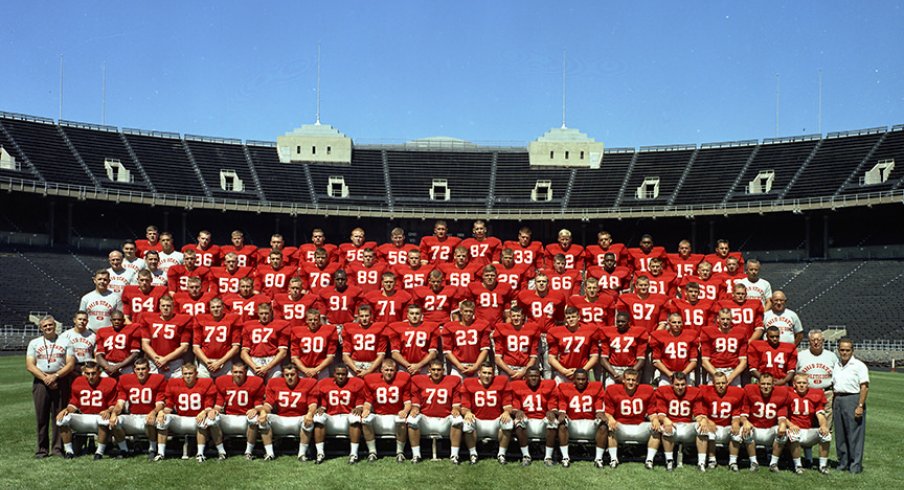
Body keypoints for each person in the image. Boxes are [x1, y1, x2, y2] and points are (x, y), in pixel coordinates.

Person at [56, 361, 128, 459]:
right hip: (83, 416)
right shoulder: (78, 381)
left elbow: (113, 404)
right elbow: (74, 403)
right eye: (87, 373)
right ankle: (69, 452)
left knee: (103, 419)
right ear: (83, 373)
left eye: (93, 373)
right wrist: (66, 410)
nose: (90, 376)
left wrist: (108, 411)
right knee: (62, 419)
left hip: (99, 417)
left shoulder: (109, 382)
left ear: (99, 372)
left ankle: (99, 452)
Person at [27, 316, 76, 458]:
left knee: (59, 416)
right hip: (41, 381)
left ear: (55, 326)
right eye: (45, 326)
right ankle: (42, 450)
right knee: (41, 417)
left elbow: (70, 363)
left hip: (60, 380)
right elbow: (30, 365)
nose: (48, 328)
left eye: (50, 325)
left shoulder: (66, 341)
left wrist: (55, 376)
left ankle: (57, 449)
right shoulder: (34, 343)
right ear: (41, 328)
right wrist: (46, 378)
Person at [156, 362, 225, 462]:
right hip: (180, 418)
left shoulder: (206, 383)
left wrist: (204, 412)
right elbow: (169, 405)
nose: (188, 376)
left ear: (196, 374)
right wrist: (163, 412)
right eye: (185, 374)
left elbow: (208, 404)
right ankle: (160, 453)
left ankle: (200, 453)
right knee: (162, 419)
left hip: (197, 417)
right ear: (182, 374)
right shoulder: (173, 383)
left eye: (190, 373)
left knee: (203, 420)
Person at [407, 359, 464, 464]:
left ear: (444, 370)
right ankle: (416, 455)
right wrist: (415, 408)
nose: (436, 372)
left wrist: (456, 409)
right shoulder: (418, 380)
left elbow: (456, 401)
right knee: (411, 419)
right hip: (426, 419)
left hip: (445, 419)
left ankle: (454, 455)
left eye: (439, 370)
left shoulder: (454, 380)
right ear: (429, 370)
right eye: (433, 369)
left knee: (458, 420)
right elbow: (415, 400)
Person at [213, 360, 271, 460]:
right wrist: (213, 411)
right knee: (211, 419)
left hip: (245, 417)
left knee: (254, 419)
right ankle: (221, 452)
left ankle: (248, 452)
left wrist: (255, 410)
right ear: (231, 372)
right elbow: (219, 404)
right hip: (229, 417)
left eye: (241, 372)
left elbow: (258, 404)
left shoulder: (256, 382)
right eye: (235, 372)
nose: (238, 374)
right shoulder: (221, 381)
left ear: (246, 372)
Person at [112, 357, 166, 460]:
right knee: (115, 422)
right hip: (133, 416)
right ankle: (124, 450)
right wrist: (114, 413)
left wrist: (153, 412)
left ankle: (152, 449)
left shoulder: (158, 379)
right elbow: (120, 403)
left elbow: (160, 403)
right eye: (138, 369)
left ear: (149, 369)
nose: (141, 372)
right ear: (134, 370)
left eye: (143, 369)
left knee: (150, 421)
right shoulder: (125, 380)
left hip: (148, 416)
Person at [261, 363, 318, 461]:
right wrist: (263, 412)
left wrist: (309, 414)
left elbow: (312, 404)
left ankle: (302, 454)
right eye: (287, 375)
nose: (290, 377)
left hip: (299, 418)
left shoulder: (309, 383)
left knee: (309, 420)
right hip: (281, 419)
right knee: (264, 420)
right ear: (283, 375)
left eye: (292, 374)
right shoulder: (274, 383)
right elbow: (268, 404)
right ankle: (269, 453)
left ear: (298, 374)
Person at [459, 362, 515, 465]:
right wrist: (467, 413)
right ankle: (473, 454)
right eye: (484, 372)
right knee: (467, 423)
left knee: (508, 422)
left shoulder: (501, 381)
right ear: (479, 373)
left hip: (495, 420)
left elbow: (508, 404)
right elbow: (464, 406)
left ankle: (501, 454)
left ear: (493, 374)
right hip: (478, 421)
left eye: (489, 373)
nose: (487, 376)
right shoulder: (468, 383)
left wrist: (507, 412)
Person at [693, 371, 747, 472]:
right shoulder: (706, 391)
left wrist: (735, 422)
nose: (721, 386)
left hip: (727, 426)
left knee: (738, 431)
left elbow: (736, 414)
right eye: (718, 383)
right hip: (713, 426)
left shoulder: (736, 393)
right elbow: (701, 412)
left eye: (723, 383)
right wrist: (706, 420)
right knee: (702, 428)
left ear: (727, 383)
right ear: (713, 384)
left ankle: (733, 462)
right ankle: (706, 461)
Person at [553, 368, 607, 468]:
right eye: (578, 379)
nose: (581, 382)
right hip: (573, 422)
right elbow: (562, 402)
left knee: (603, 426)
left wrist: (599, 412)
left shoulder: (596, 387)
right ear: (573, 379)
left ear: (587, 379)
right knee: (562, 424)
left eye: (583, 379)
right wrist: (562, 412)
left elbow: (599, 402)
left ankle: (598, 458)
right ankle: (565, 457)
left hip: (590, 422)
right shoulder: (564, 387)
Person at [361, 360, 413, 463]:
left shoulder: (404, 379)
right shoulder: (370, 380)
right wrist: (366, 409)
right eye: (386, 370)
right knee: (365, 419)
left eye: (391, 370)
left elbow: (407, 402)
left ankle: (400, 452)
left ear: (396, 371)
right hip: (379, 415)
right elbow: (368, 401)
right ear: (381, 370)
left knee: (402, 420)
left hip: (395, 415)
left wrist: (405, 411)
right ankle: (372, 452)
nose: (389, 373)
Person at [603, 368, 657, 469]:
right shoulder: (612, 390)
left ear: (637, 381)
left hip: (640, 426)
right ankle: (613, 459)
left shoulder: (647, 390)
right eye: (628, 379)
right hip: (621, 426)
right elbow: (607, 412)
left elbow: (652, 412)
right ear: (623, 380)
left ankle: (649, 460)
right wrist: (611, 418)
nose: (631, 382)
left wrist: (655, 419)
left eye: (633, 380)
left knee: (657, 429)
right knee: (610, 427)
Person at [313, 366, 367, 464]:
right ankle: (320, 453)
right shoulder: (324, 384)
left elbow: (360, 403)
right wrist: (321, 408)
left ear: (347, 375)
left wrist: (359, 408)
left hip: (348, 416)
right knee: (318, 417)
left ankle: (353, 454)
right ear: (334, 374)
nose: (341, 376)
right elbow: (323, 403)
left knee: (355, 417)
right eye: (338, 374)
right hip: (331, 417)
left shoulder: (356, 384)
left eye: (343, 374)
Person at [781, 373, 831, 474]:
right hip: (793, 429)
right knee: (793, 434)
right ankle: (798, 465)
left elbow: (820, 414)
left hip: (808, 430)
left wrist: (823, 426)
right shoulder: (787, 393)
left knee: (826, 435)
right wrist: (791, 425)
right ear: (794, 384)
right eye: (799, 383)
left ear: (808, 384)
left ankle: (823, 466)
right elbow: (781, 415)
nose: (802, 385)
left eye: (804, 383)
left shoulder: (816, 394)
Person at [742, 372, 791, 472]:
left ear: (773, 385)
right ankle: (753, 462)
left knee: (783, 432)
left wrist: (782, 424)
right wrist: (745, 421)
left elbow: (782, 416)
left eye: (768, 384)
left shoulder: (782, 393)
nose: (765, 387)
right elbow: (743, 413)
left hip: (770, 429)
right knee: (745, 430)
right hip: (755, 428)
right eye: (763, 384)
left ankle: (773, 463)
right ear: (758, 384)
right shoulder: (749, 390)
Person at [832, 338, 869, 474]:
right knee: (840, 435)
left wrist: (860, 405)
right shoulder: (836, 365)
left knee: (854, 435)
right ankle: (843, 463)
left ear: (852, 350)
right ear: (838, 350)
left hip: (853, 399)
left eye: (847, 350)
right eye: (842, 350)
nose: (844, 352)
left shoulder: (859, 365)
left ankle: (855, 466)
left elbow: (864, 387)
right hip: (838, 400)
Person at [652, 372, 701, 471]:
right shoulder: (663, 391)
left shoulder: (694, 392)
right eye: (677, 384)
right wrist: (666, 420)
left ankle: (702, 462)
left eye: (683, 384)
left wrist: (702, 420)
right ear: (672, 384)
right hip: (672, 423)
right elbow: (661, 414)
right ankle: (669, 460)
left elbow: (699, 412)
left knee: (703, 428)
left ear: (686, 384)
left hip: (687, 425)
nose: (680, 387)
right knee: (666, 428)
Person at [510, 366, 557, 466]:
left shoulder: (548, 385)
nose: (534, 378)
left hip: (542, 419)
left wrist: (551, 411)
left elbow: (552, 403)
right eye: (531, 376)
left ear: (540, 377)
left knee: (553, 421)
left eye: (536, 376)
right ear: (525, 377)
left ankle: (548, 457)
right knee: (518, 421)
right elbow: (515, 405)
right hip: (528, 420)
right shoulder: (518, 386)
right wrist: (517, 412)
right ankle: (526, 456)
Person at [139, 296, 192, 378]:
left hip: (175, 363)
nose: (165, 308)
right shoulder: (148, 319)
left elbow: (184, 347)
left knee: (175, 388)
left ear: (173, 307)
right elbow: (144, 345)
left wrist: (165, 359)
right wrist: (158, 360)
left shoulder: (183, 320)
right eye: (163, 306)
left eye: (168, 306)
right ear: (159, 307)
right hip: (154, 362)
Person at [192, 297, 242, 378]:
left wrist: (220, 362)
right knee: (204, 387)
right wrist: (207, 362)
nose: (216, 309)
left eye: (218, 307)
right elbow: (195, 347)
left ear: (223, 307)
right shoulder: (201, 319)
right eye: (213, 307)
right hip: (205, 363)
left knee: (227, 387)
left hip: (225, 362)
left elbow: (236, 347)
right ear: (209, 309)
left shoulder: (232, 319)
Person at [547, 306, 599, 383]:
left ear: (579, 317)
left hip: (582, 373)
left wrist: (582, 371)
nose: (571, 319)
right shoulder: (557, 332)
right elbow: (551, 358)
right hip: (563, 373)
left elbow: (594, 356)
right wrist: (564, 371)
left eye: (573, 317)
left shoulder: (589, 331)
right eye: (568, 317)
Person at [443, 300, 492, 377]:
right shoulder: (450, 327)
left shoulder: (482, 325)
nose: (468, 314)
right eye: (466, 311)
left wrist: (475, 366)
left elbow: (485, 349)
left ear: (474, 312)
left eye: (470, 311)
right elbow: (447, 351)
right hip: (457, 367)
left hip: (476, 366)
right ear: (461, 311)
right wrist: (459, 366)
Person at [240, 303, 290, 379]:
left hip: (273, 360)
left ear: (271, 313)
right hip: (254, 361)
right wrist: (254, 367)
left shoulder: (280, 326)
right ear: (258, 314)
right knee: (253, 387)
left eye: (266, 313)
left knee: (274, 386)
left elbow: (283, 352)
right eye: (261, 313)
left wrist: (267, 367)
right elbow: (244, 352)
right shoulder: (249, 326)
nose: (264, 316)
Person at [700, 308, 748, 386]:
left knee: (736, 396)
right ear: (718, 319)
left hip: (733, 372)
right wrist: (719, 377)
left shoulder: (740, 333)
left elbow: (743, 362)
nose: (725, 322)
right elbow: (705, 361)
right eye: (723, 319)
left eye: (728, 319)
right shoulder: (708, 332)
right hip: (715, 370)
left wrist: (730, 378)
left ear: (732, 319)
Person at [388, 304, 440, 375]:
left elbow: (433, 353)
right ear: (407, 315)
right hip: (404, 367)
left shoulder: (431, 327)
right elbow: (394, 353)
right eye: (412, 313)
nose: (414, 316)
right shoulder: (397, 328)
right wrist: (409, 366)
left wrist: (418, 366)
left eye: (417, 313)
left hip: (424, 367)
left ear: (422, 315)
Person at [598, 312, 648, 386]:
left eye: (623, 321)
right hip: (613, 368)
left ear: (629, 323)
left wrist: (628, 374)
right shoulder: (608, 332)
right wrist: (615, 374)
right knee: (609, 387)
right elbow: (603, 359)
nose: (620, 324)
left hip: (631, 368)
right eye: (618, 322)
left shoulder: (639, 333)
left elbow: (641, 360)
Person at [650, 313, 699, 386]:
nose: (677, 324)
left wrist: (683, 374)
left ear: (682, 323)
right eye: (674, 322)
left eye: (679, 322)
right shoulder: (659, 336)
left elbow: (694, 361)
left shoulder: (690, 336)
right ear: (668, 323)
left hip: (685, 374)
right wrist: (670, 374)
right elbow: (656, 361)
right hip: (666, 374)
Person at [492, 306, 541, 379]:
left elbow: (533, 357)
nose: (516, 318)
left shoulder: (532, 330)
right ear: (510, 317)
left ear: (523, 316)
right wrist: (510, 372)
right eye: (514, 316)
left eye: (518, 315)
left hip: (525, 368)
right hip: (507, 368)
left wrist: (523, 372)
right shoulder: (502, 329)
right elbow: (498, 358)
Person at [341, 304, 388, 377]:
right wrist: (355, 368)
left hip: (372, 364)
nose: (364, 318)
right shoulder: (350, 329)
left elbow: (381, 355)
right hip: (354, 364)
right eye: (362, 316)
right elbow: (345, 356)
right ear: (358, 317)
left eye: (367, 316)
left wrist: (369, 370)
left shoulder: (379, 328)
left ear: (371, 316)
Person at [290, 309, 339, 380]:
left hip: (322, 369)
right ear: (306, 320)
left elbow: (330, 357)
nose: (313, 322)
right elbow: (294, 358)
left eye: (315, 320)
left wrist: (316, 370)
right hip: (303, 370)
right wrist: (305, 370)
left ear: (319, 321)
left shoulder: (329, 331)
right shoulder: (297, 332)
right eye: (310, 320)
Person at [95, 311, 141, 377]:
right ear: (111, 320)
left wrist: (118, 366)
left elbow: (135, 353)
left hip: (126, 365)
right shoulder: (102, 331)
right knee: (103, 382)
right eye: (114, 319)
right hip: (108, 364)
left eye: (119, 320)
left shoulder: (132, 329)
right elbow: (99, 355)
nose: (116, 321)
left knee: (130, 382)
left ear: (124, 320)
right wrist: (108, 367)